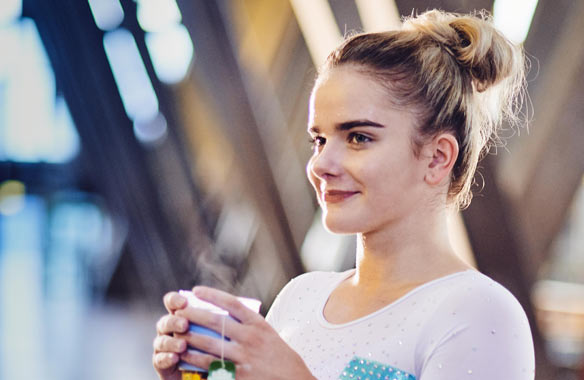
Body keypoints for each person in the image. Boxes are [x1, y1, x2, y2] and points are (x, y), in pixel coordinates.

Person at [153, 8, 535, 380]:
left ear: (437, 158)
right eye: (319, 139)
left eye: (358, 137)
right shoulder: (299, 299)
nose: (320, 165)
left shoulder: (480, 313)